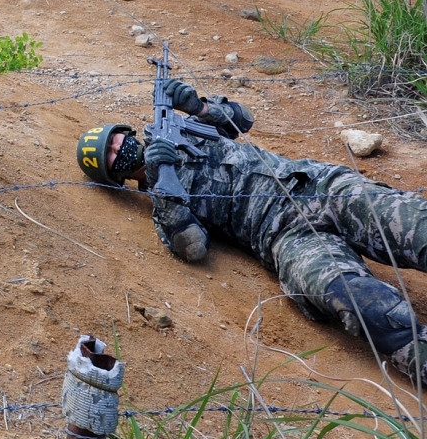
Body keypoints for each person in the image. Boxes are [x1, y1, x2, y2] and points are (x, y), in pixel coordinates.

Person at [77, 80, 427, 380]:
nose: (118, 148)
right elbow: (194, 248)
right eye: (110, 154)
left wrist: (196, 106)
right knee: (360, 302)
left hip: (317, 186)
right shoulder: (162, 206)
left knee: (416, 227)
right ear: (115, 177)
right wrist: (161, 182)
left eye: (116, 139)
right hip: (286, 239)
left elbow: (242, 120)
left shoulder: (179, 128)